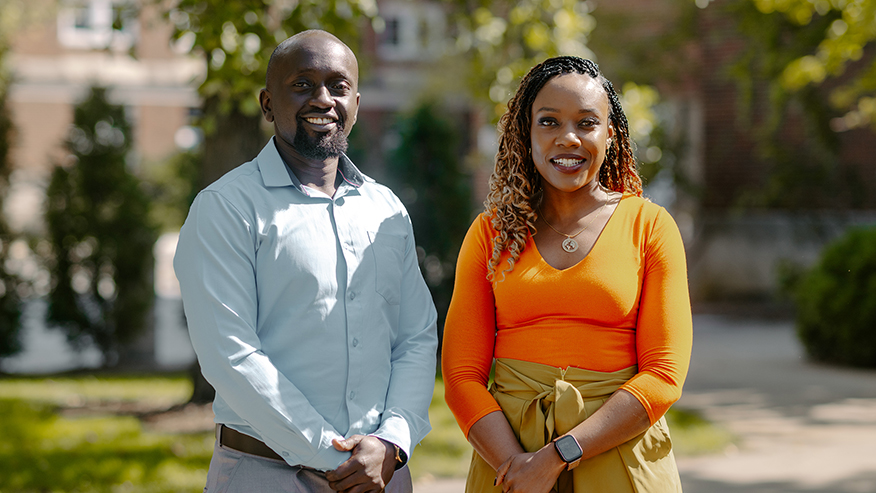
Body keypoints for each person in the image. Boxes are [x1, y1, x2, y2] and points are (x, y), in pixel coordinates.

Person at [173, 30, 438, 493]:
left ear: (355, 102)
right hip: (266, 475)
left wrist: (393, 441)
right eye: (302, 85)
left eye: (337, 86)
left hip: (382, 475)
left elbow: (415, 335)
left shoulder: (387, 210)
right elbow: (229, 354)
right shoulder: (227, 207)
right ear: (267, 103)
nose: (323, 99)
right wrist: (327, 453)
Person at [442, 56, 693, 492]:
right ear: (527, 132)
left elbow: (664, 374)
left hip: (620, 457)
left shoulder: (649, 226)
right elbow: (461, 375)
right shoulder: (491, 234)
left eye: (587, 123)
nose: (568, 138)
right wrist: (519, 468)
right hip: (509, 464)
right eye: (549, 122)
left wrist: (559, 455)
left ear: (609, 135)